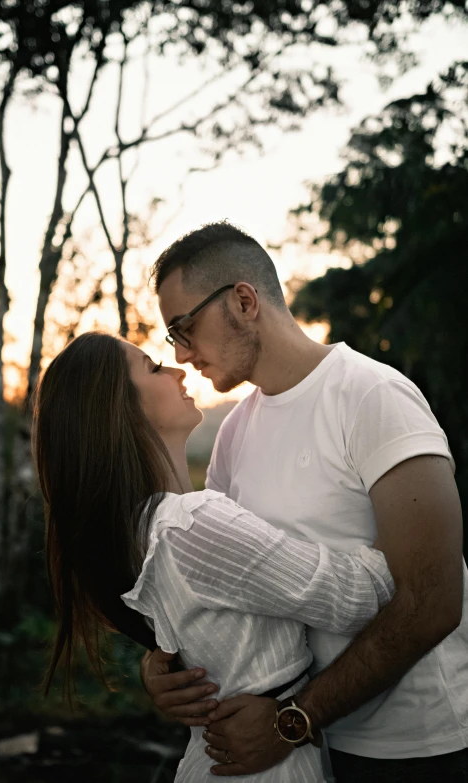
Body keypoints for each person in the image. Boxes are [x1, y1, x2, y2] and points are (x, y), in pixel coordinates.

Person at [141, 220, 468, 781]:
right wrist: (161, 665)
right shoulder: (233, 434)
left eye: (183, 327)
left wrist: (295, 717)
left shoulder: (372, 396)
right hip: (313, 751)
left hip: (421, 747)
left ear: (243, 301)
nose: (181, 351)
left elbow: (434, 600)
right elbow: (232, 590)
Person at [33, 331, 396, 782]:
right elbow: (357, 599)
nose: (178, 368)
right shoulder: (189, 524)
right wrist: (413, 523)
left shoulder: (140, 529)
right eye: (153, 367)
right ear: (119, 409)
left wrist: (156, 666)